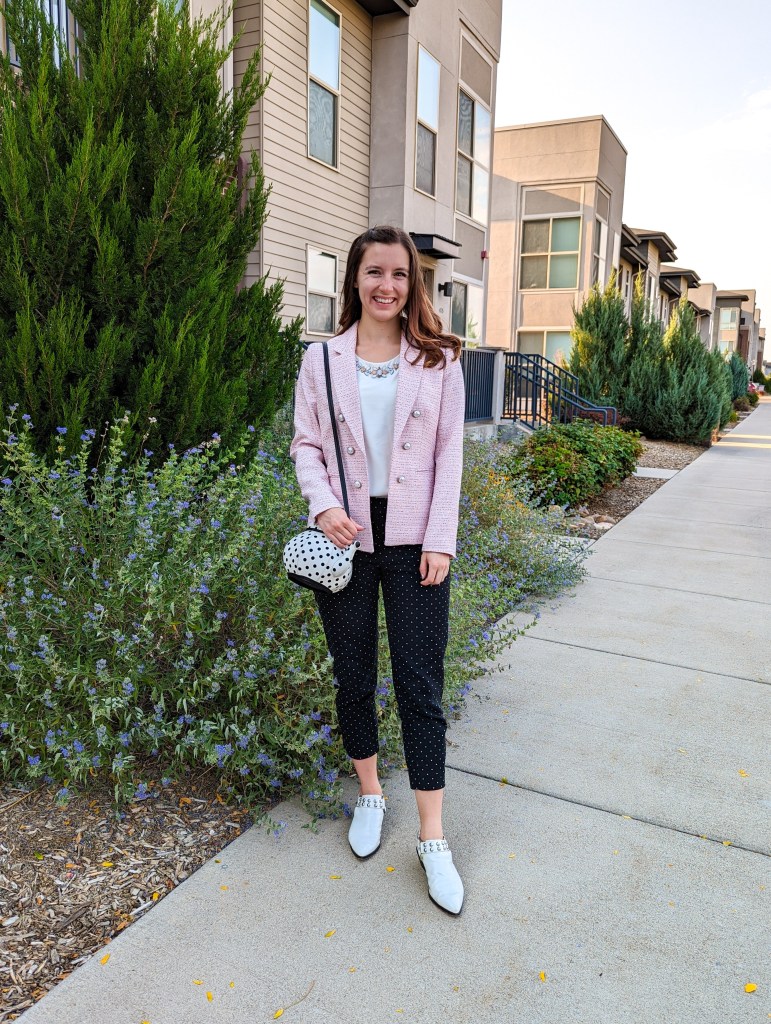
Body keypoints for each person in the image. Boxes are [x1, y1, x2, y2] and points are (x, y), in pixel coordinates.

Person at [290, 225, 465, 914]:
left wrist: (441, 539)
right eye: (373, 273)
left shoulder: (440, 359)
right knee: (353, 674)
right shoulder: (321, 360)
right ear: (354, 281)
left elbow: (450, 454)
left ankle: (431, 835)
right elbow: (306, 443)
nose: (385, 286)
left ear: (411, 283)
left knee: (419, 685)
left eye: (397, 274)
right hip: (348, 537)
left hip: (416, 538)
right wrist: (324, 503)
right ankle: (369, 794)